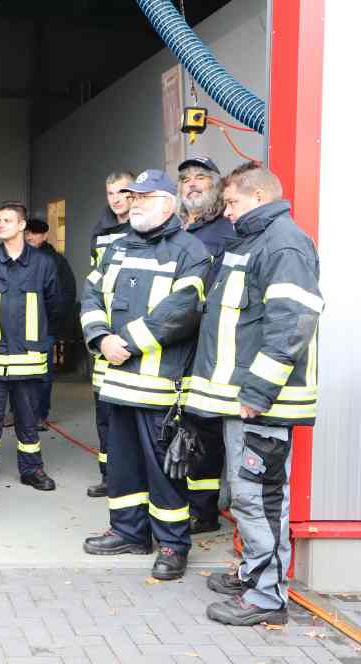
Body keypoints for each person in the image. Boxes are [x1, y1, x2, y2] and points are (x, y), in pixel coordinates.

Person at [184, 162, 322, 626]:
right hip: (241, 401)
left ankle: (266, 597)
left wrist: (259, 391)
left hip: (261, 404)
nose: (227, 212)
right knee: (247, 497)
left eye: (233, 202)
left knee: (259, 498)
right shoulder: (255, 241)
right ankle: (253, 574)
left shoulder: (282, 244)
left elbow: (291, 324)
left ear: (259, 198)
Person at [80, 169, 210, 581]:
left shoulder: (190, 251)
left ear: (168, 204)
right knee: (123, 464)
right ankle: (128, 532)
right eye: (132, 196)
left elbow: (182, 312)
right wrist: (101, 339)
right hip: (117, 384)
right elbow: (90, 296)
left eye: (144, 197)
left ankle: (172, 544)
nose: (134, 202)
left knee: (163, 471)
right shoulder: (116, 248)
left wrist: (126, 343)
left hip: (159, 388)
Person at [0, 206, 61, 497]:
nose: (1, 225)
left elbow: (55, 306)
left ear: (22, 225)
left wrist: (40, 337)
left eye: (7, 220)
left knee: (28, 418)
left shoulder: (43, 264)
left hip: (29, 360)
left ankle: (31, 469)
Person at [176, 155, 239, 535]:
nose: (192, 184)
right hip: (175, 347)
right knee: (179, 426)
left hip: (208, 348)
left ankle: (204, 511)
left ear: (216, 186)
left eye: (201, 177)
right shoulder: (177, 230)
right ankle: (182, 500)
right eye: (186, 179)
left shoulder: (226, 234)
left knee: (203, 429)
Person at [86, 171, 135, 499]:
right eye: (110, 193)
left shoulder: (146, 227)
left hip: (135, 333)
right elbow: (94, 282)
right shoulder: (100, 231)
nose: (116, 199)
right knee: (104, 413)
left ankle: (133, 476)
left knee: (133, 416)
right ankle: (109, 475)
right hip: (106, 336)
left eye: (122, 192)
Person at [24, 217, 77, 428]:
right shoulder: (15, 257)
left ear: (45, 235)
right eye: (27, 232)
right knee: (16, 373)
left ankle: (40, 415)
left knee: (42, 374)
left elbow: (67, 293)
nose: (29, 236)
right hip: (17, 327)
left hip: (44, 327)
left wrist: (50, 319)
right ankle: (17, 412)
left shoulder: (55, 261)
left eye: (35, 233)